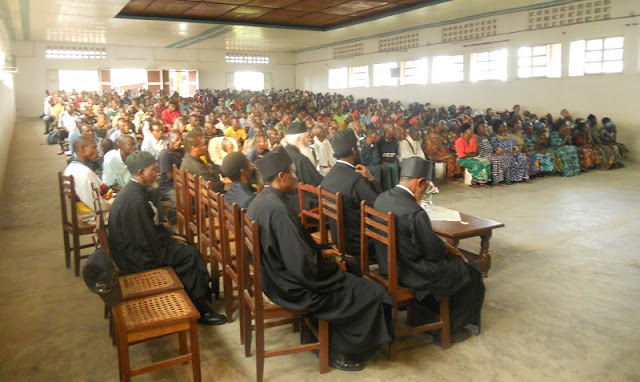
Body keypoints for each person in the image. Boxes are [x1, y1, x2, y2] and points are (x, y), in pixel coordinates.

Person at [248, 147, 394, 371]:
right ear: (281, 177)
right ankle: (340, 350)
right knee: (374, 293)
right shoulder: (278, 210)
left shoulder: (261, 201)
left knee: (353, 269)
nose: (297, 176)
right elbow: (305, 267)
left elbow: (293, 249)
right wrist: (334, 267)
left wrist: (321, 250)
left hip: (274, 277)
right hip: (292, 287)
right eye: (293, 172)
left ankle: (320, 335)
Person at [108, 151, 227, 326]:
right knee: (189, 255)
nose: (158, 173)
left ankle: (196, 297)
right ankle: (201, 309)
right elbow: (147, 242)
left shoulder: (135, 191)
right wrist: (170, 241)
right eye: (154, 170)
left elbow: (149, 231)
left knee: (183, 240)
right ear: (142, 173)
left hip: (137, 248)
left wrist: (171, 237)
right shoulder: (135, 201)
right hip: (136, 259)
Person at [374, 157, 485, 343]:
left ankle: (422, 317)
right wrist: (450, 250)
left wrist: (445, 247)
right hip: (411, 271)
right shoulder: (414, 212)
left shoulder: (382, 198)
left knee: (455, 263)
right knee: (470, 270)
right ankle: (447, 330)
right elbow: (433, 253)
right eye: (426, 187)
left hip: (387, 265)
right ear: (419, 182)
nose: (425, 191)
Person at [321, 129, 381, 258]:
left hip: (339, 239)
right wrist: (371, 179)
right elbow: (379, 207)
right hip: (360, 244)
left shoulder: (328, 177)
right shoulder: (357, 180)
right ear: (354, 150)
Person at [62, 135, 114, 224]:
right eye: (94, 148)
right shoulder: (83, 173)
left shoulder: (72, 168)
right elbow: (97, 204)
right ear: (82, 150)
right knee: (131, 212)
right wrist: (115, 203)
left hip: (89, 213)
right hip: (93, 216)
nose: (97, 151)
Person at [283, 121, 323, 187]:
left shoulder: (285, 150)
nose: (309, 140)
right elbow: (314, 183)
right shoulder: (301, 159)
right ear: (299, 139)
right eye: (307, 136)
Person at [157, 129, 185, 225]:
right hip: (168, 185)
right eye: (176, 140)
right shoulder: (164, 154)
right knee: (181, 198)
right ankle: (172, 216)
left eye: (180, 140)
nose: (179, 142)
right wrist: (185, 177)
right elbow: (169, 176)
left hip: (182, 181)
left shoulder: (182, 151)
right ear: (169, 139)